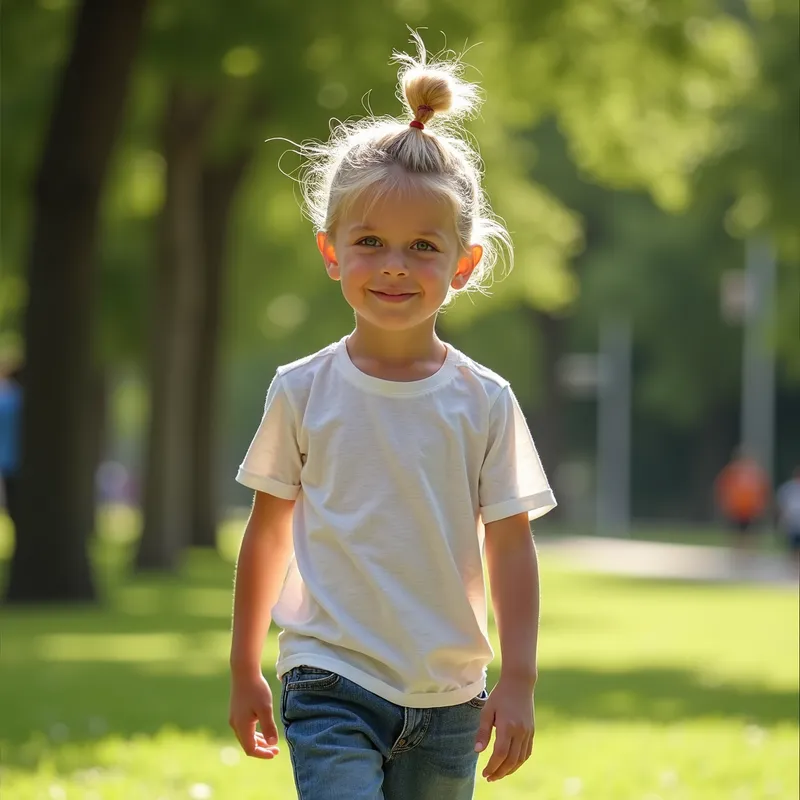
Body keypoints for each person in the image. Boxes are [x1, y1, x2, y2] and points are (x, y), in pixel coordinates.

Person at [227, 34, 556, 800]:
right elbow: (267, 531)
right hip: (329, 681)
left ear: (464, 263)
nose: (395, 266)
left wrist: (521, 677)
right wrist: (246, 665)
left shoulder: (485, 402)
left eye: (422, 247)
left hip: (449, 698)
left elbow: (511, 547)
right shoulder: (303, 390)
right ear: (331, 251)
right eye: (370, 243)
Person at [713, 449, 770, 557]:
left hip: (750, 509)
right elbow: (724, 488)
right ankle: (738, 553)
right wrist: (725, 503)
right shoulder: (732, 472)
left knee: (750, 533)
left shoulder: (755, 473)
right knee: (737, 532)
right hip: (736, 508)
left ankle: (748, 554)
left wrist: (761, 506)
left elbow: (762, 490)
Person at [0, 360, 23, 533]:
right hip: (20, 461)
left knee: (14, 507)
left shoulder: (6, 400)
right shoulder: (25, 401)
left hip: (8, 461)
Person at [776, 467, 800, 573]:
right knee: (793, 548)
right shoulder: (788, 489)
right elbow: (782, 506)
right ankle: (793, 570)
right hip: (793, 525)